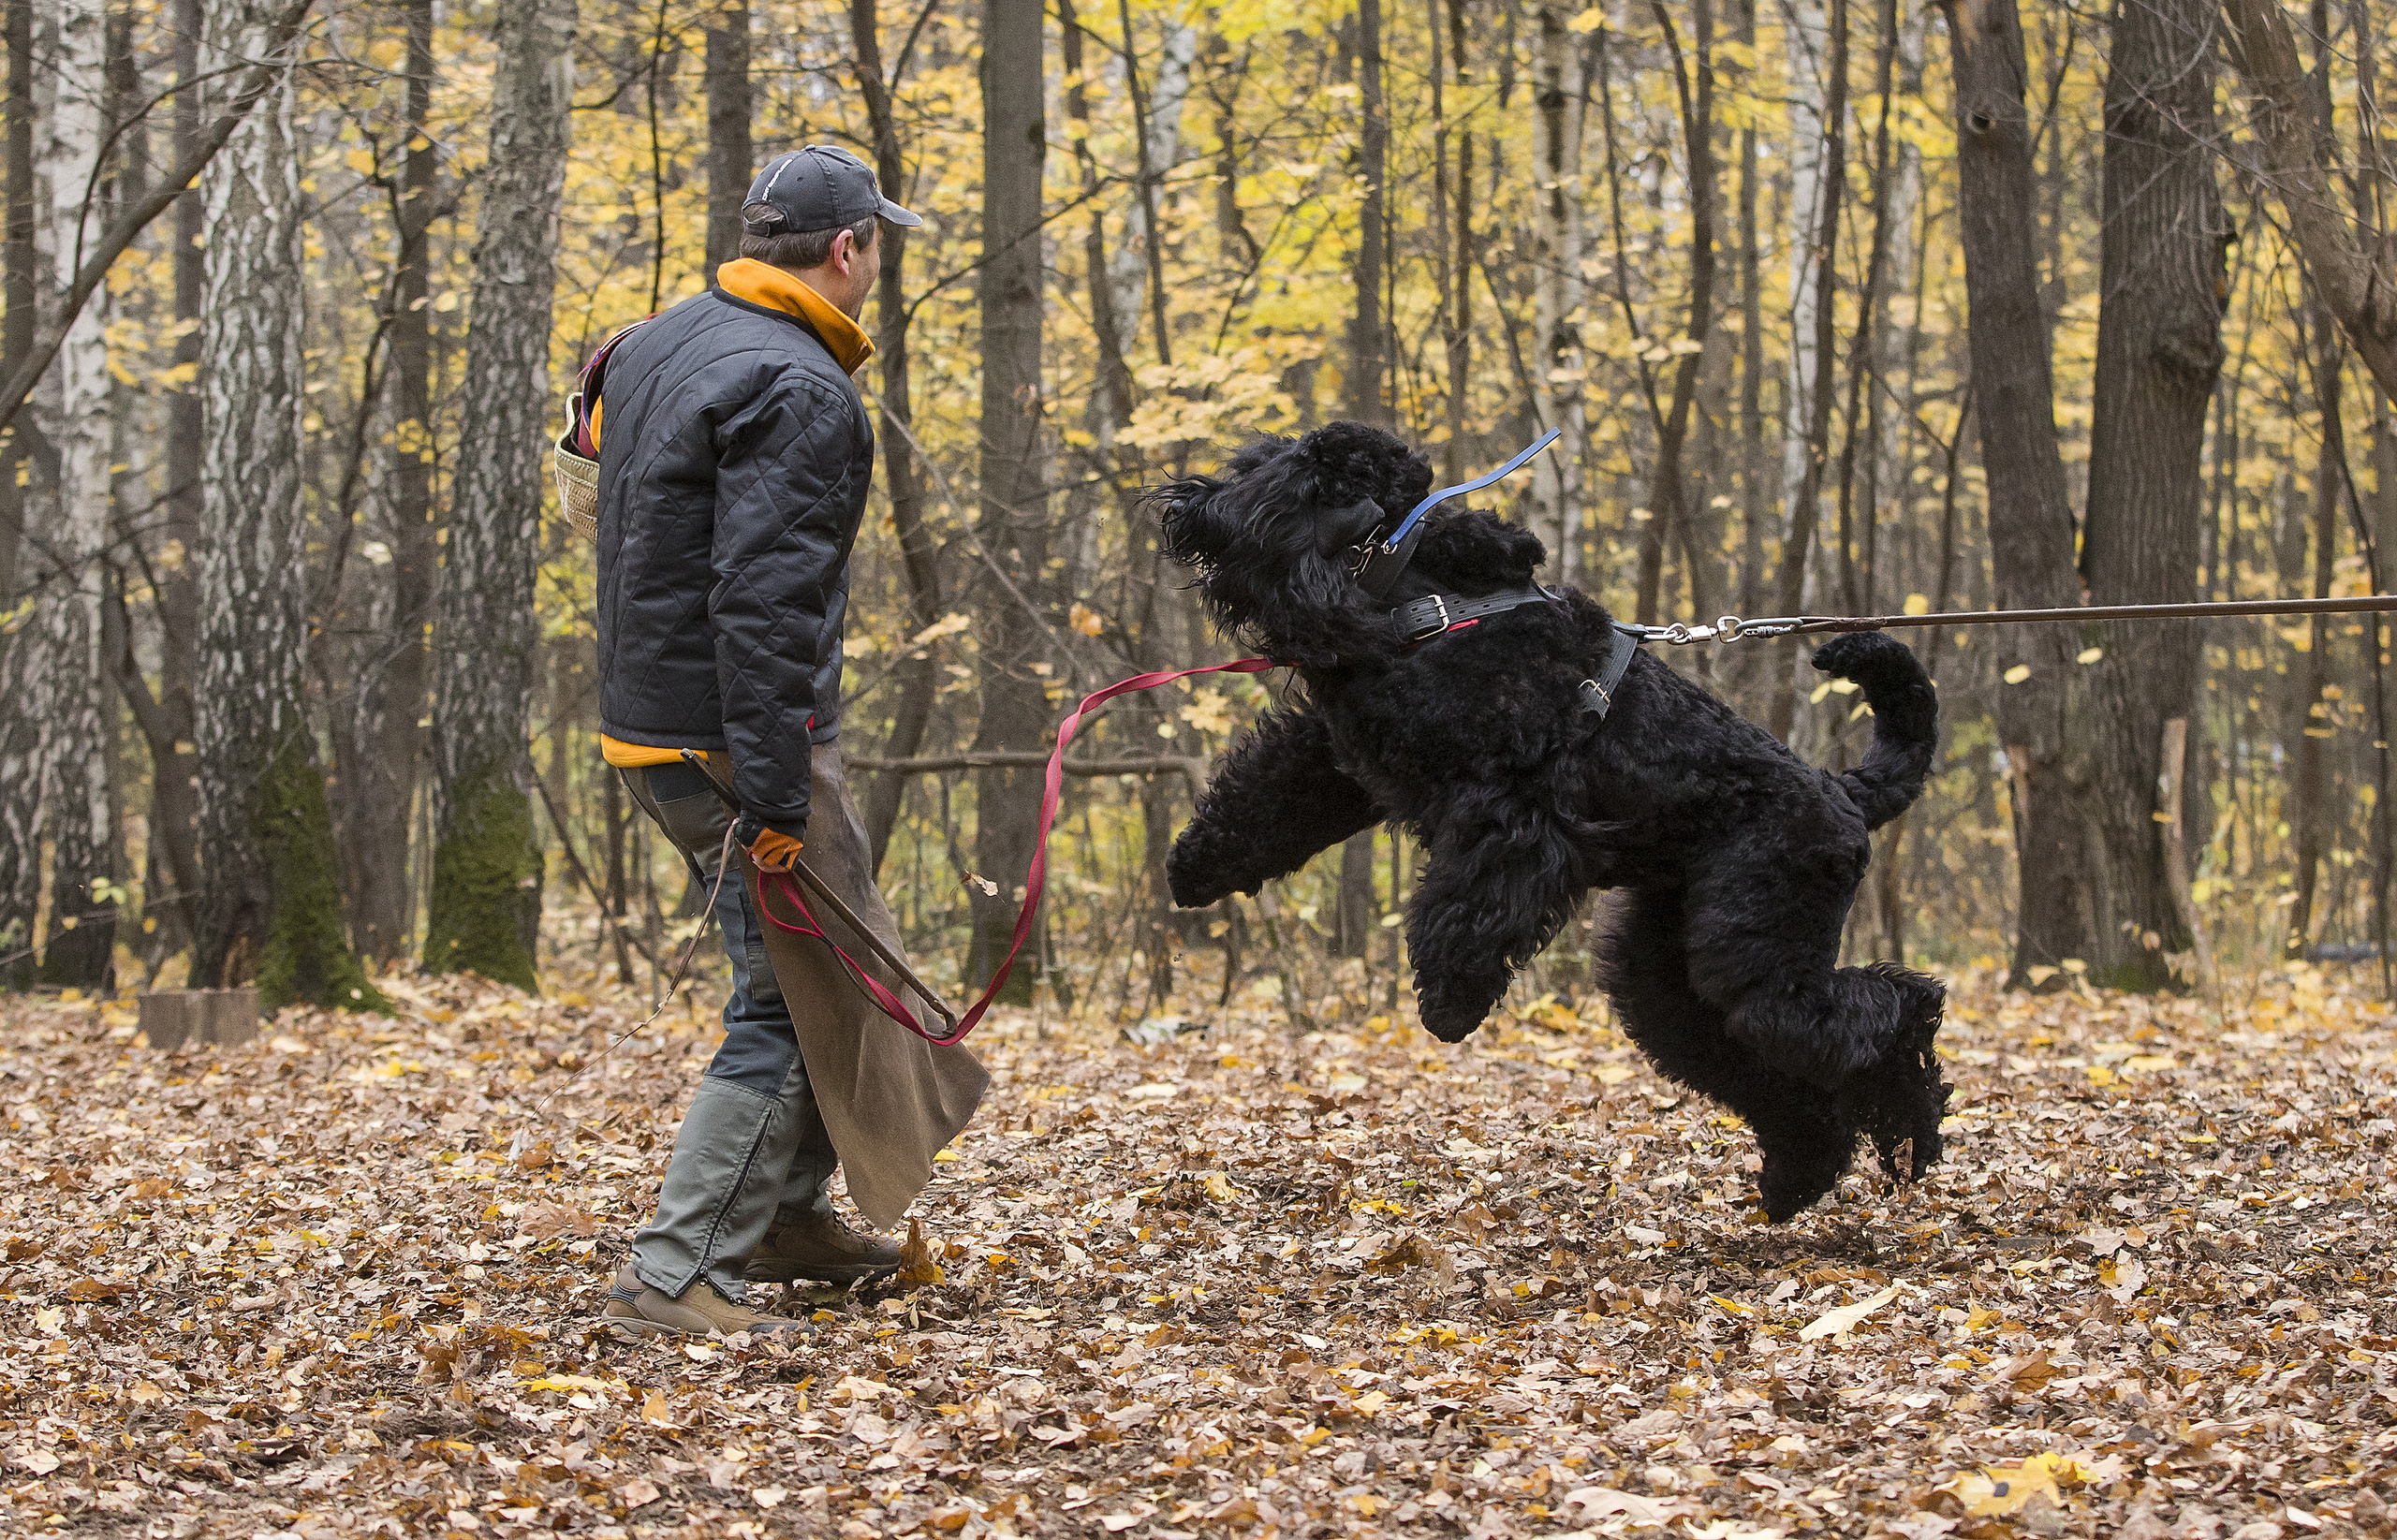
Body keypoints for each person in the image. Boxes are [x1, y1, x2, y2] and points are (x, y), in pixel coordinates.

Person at [589, 145, 986, 1340]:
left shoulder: (663, 339)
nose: (876, 262)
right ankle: (677, 1272)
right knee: (779, 1000)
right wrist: (771, 793)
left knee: (839, 972)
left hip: (658, 726)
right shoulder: (801, 386)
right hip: (730, 742)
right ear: (847, 248)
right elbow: (762, 605)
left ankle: (782, 1219)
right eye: (877, 244)